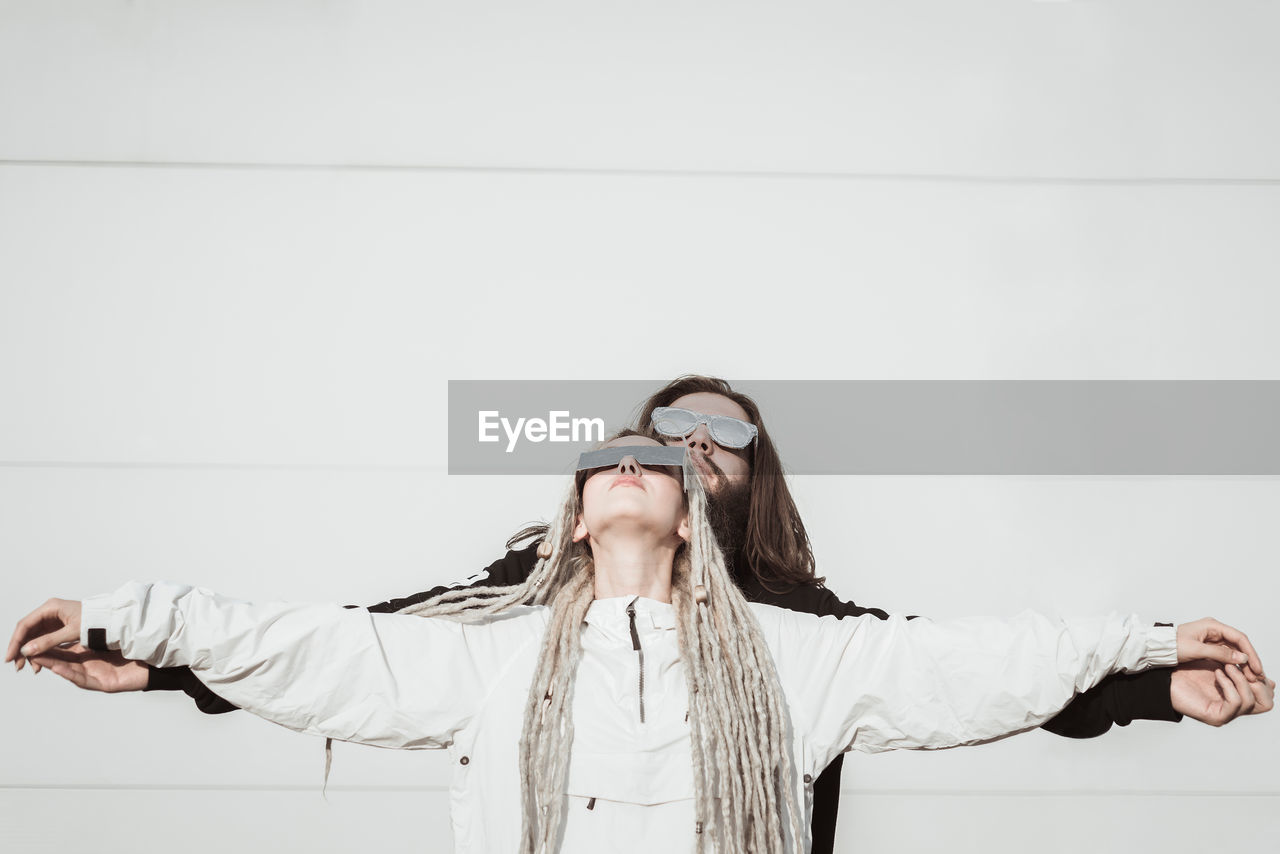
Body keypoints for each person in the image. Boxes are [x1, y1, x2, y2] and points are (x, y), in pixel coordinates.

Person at [6, 377, 1275, 854]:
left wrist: (1148, 658)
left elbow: (965, 670)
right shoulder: (498, 638)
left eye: (718, 436)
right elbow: (341, 648)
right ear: (569, 510)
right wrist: (150, 642)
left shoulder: (801, 635)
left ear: (735, 482)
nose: (673, 449)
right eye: (644, 439)